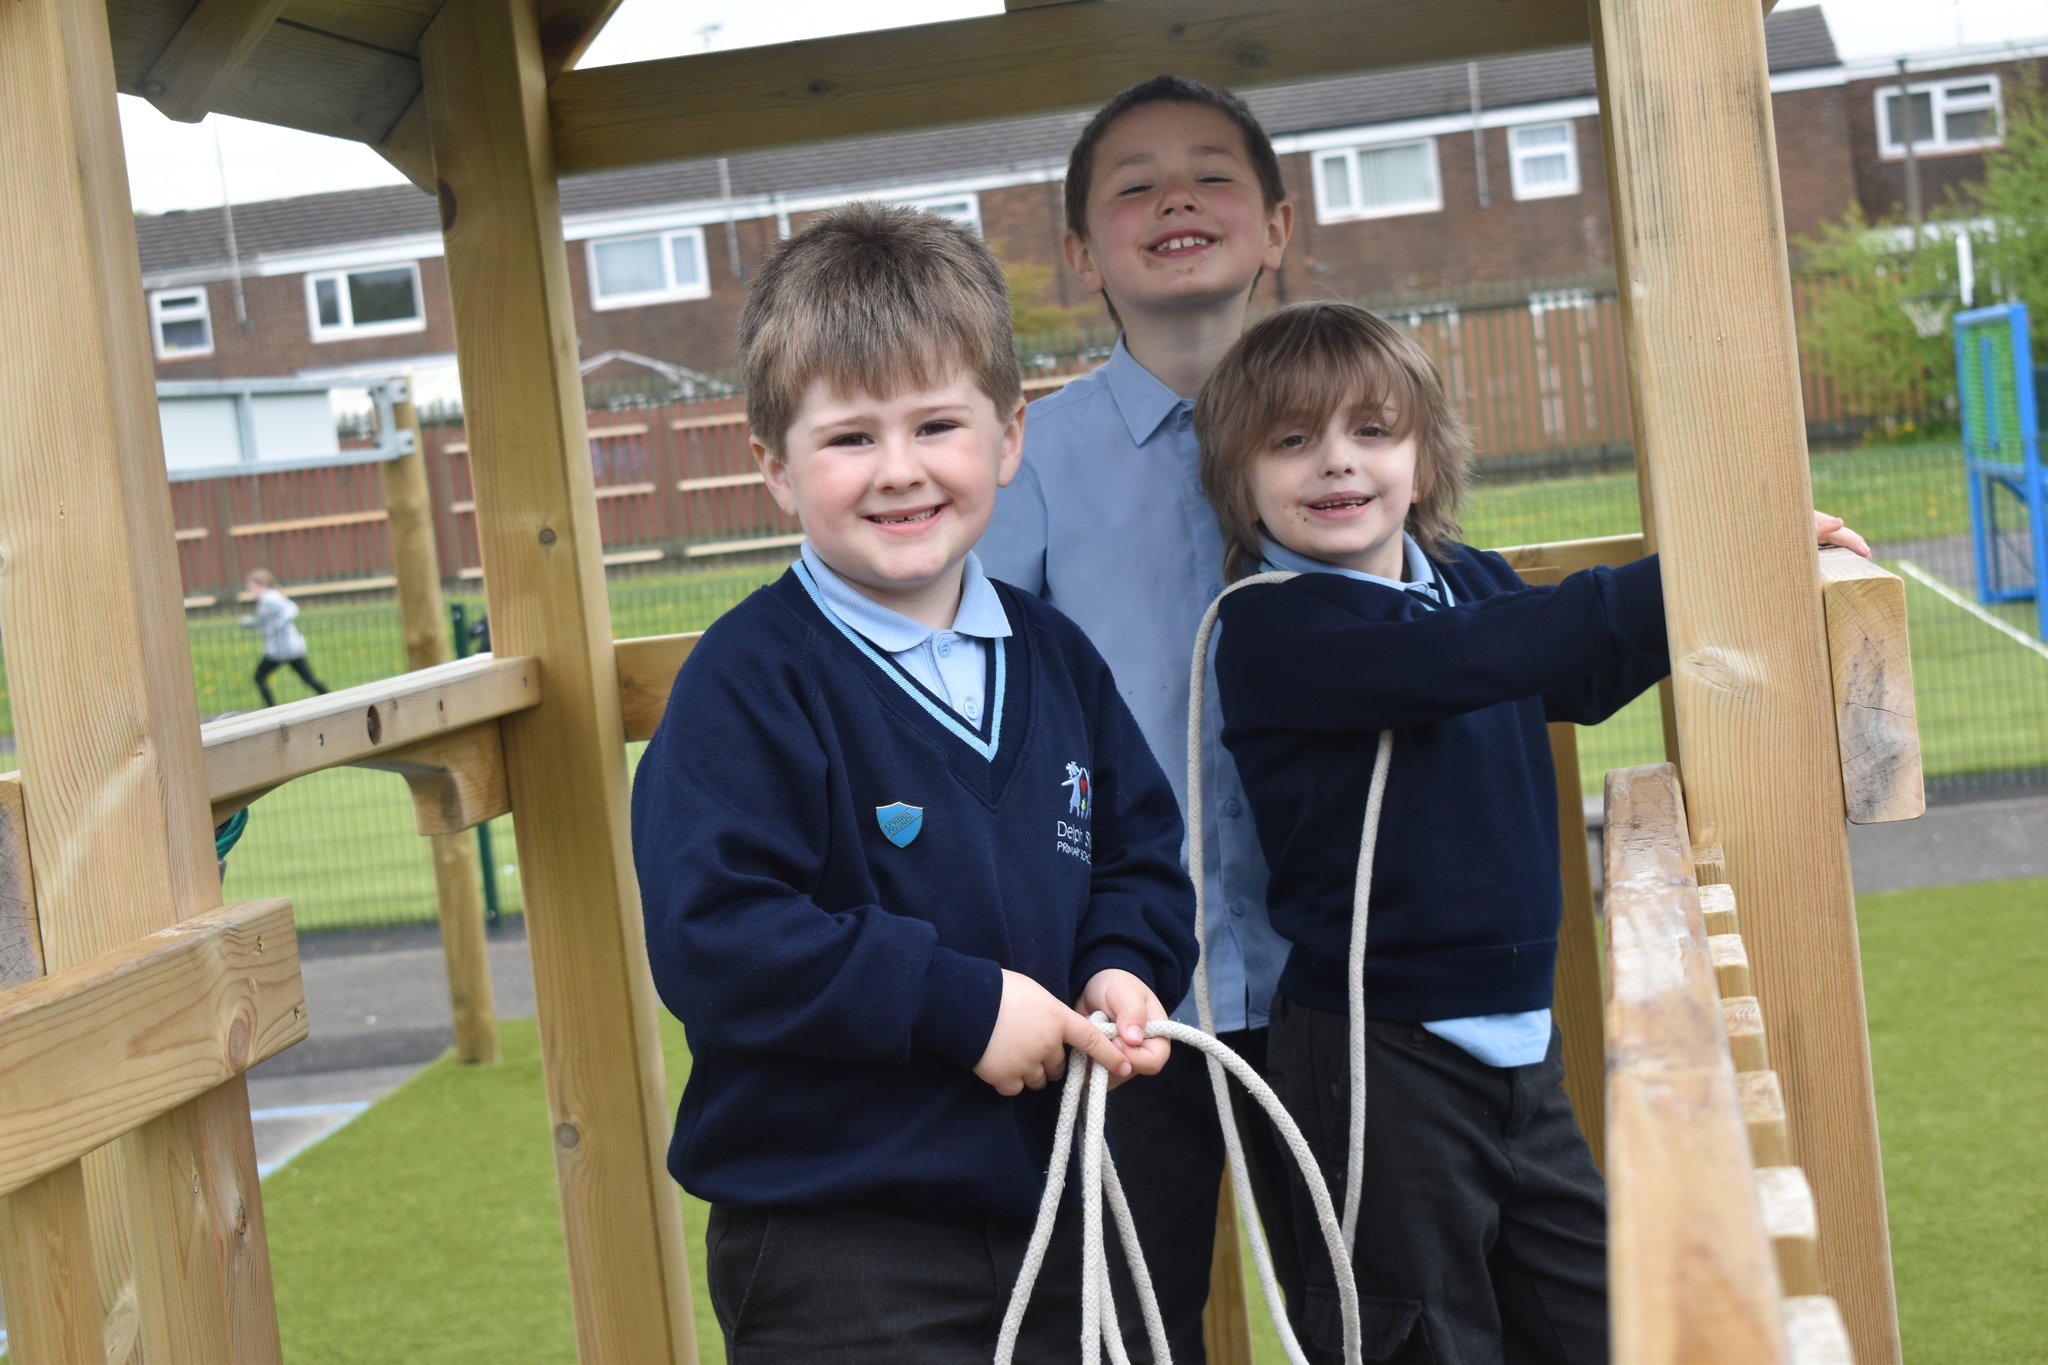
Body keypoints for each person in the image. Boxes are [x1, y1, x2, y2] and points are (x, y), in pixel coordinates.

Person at [1195, 301, 1871, 1364]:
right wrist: (1709, 562)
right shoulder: (1270, 624)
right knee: (1417, 1335)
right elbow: (1450, 665)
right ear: (1238, 483)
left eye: (1371, 432)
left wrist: (1743, 582)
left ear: (1423, 460)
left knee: (1598, 1321)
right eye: (1290, 442)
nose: (1335, 463)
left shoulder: (1466, 584)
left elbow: (1579, 671)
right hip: (1378, 1058)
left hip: (1519, 1049)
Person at [630, 202, 1200, 1364]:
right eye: (847, 439)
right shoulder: (748, 683)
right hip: (844, 1246)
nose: (898, 472)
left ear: (1005, 437)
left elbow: (1139, 855)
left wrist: (1123, 964)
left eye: (936, 424)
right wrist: (959, 1005)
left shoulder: (1055, 658)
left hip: (1070, 1206)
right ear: (773, 469)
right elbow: (719, 935)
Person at [976, 74, 1305, 1359]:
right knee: (1121, 1323)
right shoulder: (1026, 467)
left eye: (1212, 174)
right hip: (1122, 1002)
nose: (1176, 197)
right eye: (1134, 184)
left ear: (1277, 224)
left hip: (1327, 979)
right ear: (1077, 254)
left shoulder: (1345, 436)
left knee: (1363, 1302)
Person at [239, 569, 329, 707]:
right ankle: (330, 696)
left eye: (251, 586)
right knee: (308, 679)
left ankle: (270, 708)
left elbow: (291, 608)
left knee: (259, 677)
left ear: (261, 584)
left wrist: (282, 621)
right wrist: (250, 623)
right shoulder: (268, 598)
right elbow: (266, 623)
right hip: (286, 647)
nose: (250, 589)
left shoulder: (269, 597)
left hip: (282, 648)